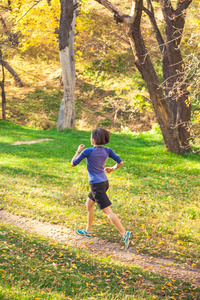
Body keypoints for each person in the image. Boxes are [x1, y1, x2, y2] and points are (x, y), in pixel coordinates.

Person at [71, 128, 131, 250]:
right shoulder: (107, 150)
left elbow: (73, 163)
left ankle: (125, 233)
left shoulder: (87, 151)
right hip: (104, 182)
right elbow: (120, 162)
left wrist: (78, 151)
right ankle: (88, 231)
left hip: (96, 185)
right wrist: (112, 169)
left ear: (93, 139)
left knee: (108, 211)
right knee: (89, 205)